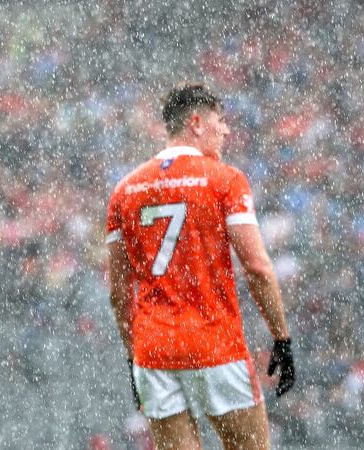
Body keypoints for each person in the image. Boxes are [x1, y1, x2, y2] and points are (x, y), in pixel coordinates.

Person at [105, 82, 296, 450]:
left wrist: (133, 357)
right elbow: (256, 267)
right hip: (214, 343)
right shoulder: (225, 180)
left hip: (154, 350)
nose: (226, 130)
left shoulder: (125, 190)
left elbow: (117, 292)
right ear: (195, 122)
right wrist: (281, 337)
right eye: (220, 121)